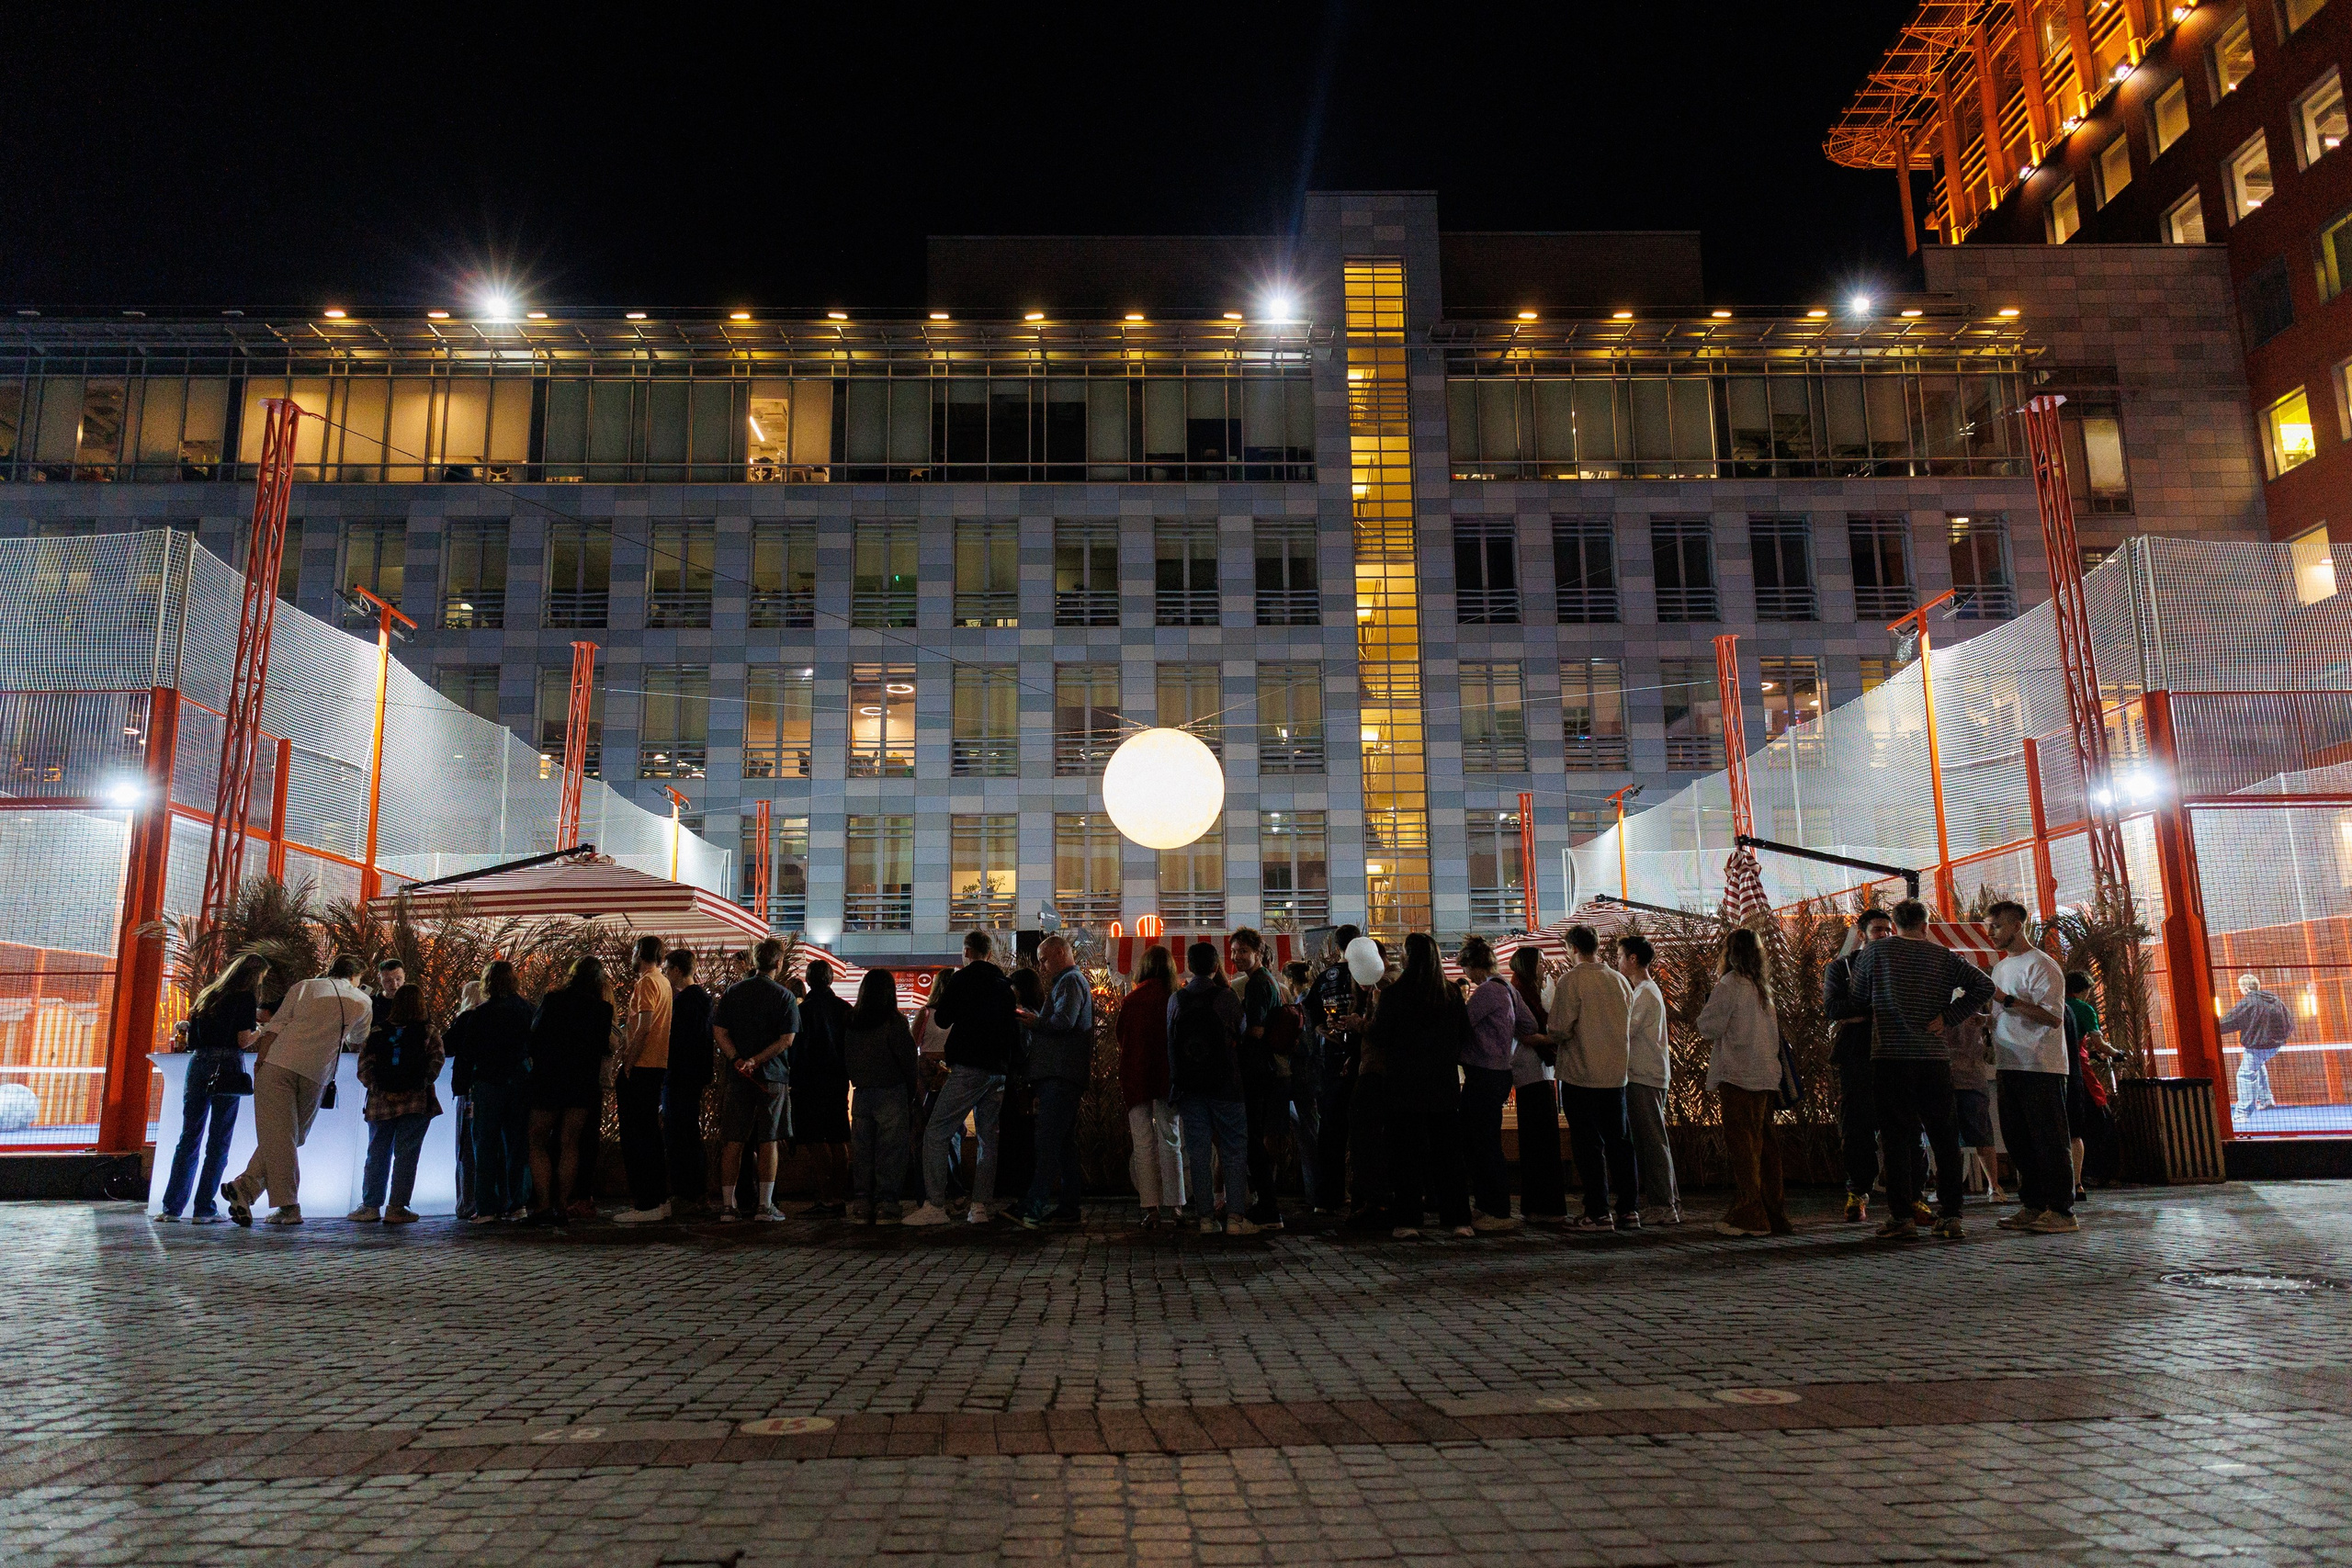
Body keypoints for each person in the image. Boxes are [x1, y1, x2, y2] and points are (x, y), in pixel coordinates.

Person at [1838, 898, 1996, 1241]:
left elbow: (1858, 995)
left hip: (1890, 1056)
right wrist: (1949, 1017)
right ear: (1926, 924)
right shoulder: (1943, 957)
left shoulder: (1874, 955)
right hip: (1934, 1058)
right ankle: (1952, 1215)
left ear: (1894, 925)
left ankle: (1900, 1217)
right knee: (1943, 1136)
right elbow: (1985, 986)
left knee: (1895, 1137)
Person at [220, 955, 372, 1227]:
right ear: (356, 977)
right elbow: (359, 1039)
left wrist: (260, 1061)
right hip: (317, 1074)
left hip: (279, 1064)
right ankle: (261, 1196)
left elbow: (274, 1027)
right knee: (291, 1138)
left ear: (331, 969)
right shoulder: (363, 1001)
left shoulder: (305, 986)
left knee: (282, 1138)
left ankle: (266, 1197)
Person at [908, 931, 1018, 1226]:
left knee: (936, 1131)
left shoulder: (962, 980)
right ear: (990, 954)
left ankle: (934, 1204)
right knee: (987, 1138)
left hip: (970, 1065)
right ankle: (980, 1205)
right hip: (999, 1070)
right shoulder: (1005, 987)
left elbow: (943, 1019)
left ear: (967, 952)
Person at [1983, 901, 2077, 1235]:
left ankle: (2062, 1212)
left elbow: (2052, 1017)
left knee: (2049, 1140)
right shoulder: (2001, 968)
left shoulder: (2041, 965)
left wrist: (2005, 1001)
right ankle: (2033, 1206)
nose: (1989, 931)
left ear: (2016, 925)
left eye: (1994, 925)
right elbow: (2002, 1013)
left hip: (2041, 1066)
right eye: (1987, 925)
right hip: (2009, 1064)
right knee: (2019, 1141)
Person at [1369, 933, 1471, 1239]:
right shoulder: (1451, 995)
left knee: (1405, 1155)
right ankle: (1458, 1219)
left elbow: (1380, 1038)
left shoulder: (1394, 995)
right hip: (1443, 1083)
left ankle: (1408, 1220)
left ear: (1407, 957)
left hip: (1404, 1085)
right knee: (1449, 1155)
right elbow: (1464, 1036)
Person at [158, 952, 267, 1224]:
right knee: (218, 1141)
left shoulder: (208, 994)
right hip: (227, 1065)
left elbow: (192, 1040)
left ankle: (172, 1208)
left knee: (189, 1138)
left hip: (198, 1064)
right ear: (255, 977)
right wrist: (263, 1031)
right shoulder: (244, 997)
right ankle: (203, 1208)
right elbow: (243, 1041)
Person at [1696, 927, 1790, 1238]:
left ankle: (1751, 1213)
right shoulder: (1763, 988)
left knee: (1743, 1145)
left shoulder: (1730, 984)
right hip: (1766, 1074)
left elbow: (1709, 1027)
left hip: (1738, 1074)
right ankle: (1773, 1211)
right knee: (1765, 1145)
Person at [1548, 924, 1641, 1234]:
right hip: (1616, 1076)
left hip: (1581, 1075)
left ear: (1572, 948)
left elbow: (1559, 1029)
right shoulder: (1620, 981)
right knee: (1620, 1144)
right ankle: (1629, 1209)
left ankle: (1598, 1212)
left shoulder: (1571, 981)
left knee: (1588, 1146)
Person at [1168, 940, 1256, 1235]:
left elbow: (1170, 1044)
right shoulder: (1227, 997)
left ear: (1189, 967)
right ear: (1216, 966)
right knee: (1233, 1150)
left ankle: (1205, 1219)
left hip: (1190, 1088)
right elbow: (1243, 1032)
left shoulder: (1176, 1000)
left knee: (1199, 1152)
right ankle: (1235, 1218)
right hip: (1226, 1085)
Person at [526, 955, 614, 1227]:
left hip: (549, 1078)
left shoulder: (553, 999)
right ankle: (563, 1204)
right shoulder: (602, 1009)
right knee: (570, 1143)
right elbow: (602, 1048)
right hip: (582, 1081)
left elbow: (534, 1035)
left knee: (537, 1139)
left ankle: (542, 1204)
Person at [444, 960, 535, 1224]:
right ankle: (518, 1203)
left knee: (484, 1144)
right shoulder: (528, 1010)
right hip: (519, 1081)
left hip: (487, 1082)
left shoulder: (480, 1014)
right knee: (517, 1145)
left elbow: (466, 1051)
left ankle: (486, 1207)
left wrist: (461, 1084)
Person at [712, 938, 796, 1222]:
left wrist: (738, 1058)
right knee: (768, 1139)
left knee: (733, 1140)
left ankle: (727, 1206)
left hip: (738, 1077)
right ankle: (765, 1205)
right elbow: (786, 1040)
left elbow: (720, 1032)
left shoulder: (733, 993)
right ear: (778, 963)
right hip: (771, 1077)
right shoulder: (784, 997)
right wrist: (757, 1060)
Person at [1014, 935, 1095, 1229]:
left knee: (1049, 1142)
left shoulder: (1070, 982)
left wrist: (1033, 1021)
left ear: (1061, 952)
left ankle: (1034, 1205)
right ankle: (1068, 1207)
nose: (1042, 965)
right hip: (1067, 1074)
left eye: (1045, 958)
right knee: (1063, 1145)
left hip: (1060, 1075)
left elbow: (1064, 1021)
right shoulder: (1071, 981)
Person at [351, 983, 447, 1224]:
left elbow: (363, 1068)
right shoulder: (429, 1031)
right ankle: (397, 1207)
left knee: (377, 1153)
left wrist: (380, 1089)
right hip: (416, 1103)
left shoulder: (377, 1031)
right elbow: (436, 1063)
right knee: (407, 1155)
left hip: (380, 1104)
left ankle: (371, 1206)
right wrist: (415, 1086)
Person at [1823, 909, 1895, 1224]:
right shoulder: (1842, 967)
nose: (1885, 934)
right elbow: (1833, 1008)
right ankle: (1858, 1193)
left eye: (1888, 929)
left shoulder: (1900, 966)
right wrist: (1873, 1010)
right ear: (1863, 933)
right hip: (1857, 1057)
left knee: (1902, 1124)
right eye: (1878, 929)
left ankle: (1910, 1195)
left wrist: (1860, 1013)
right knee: (1857, 1127)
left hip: (1896, 1053)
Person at [1457, 936, 1532, 1233]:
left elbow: (1462, 1024)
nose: (1468, 976)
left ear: (1475, 966)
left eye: (1467, 969)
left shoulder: (1487, 991)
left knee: (1481, 1141)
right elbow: (1529, 1026)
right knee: (1486, 1139)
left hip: (1483, 1073)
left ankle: (1495, 1209)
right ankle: (1489, 1205)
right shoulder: (1509, 990)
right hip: (1502, 1072)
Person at [1301, 925, 1370, 1216]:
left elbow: (1308, 1006)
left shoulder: (1325, 977)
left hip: (1330, 1061)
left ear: (1338, 945)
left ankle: (1327, 1197)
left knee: (1330, 1131)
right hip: (1361, 1060)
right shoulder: (1366, 976)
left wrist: (1318, 1026)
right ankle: (1364, 1195)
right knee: (1364, 1131)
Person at [843, 968, 919, 1224]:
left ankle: (862, 1203)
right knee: (891, 1151)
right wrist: (911, 1092)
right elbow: (909, 1060)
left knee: (863, 1151)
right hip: (891, 1090)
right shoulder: (893, 1021)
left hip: (862, 1093)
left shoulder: (852, 1021)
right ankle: (887, 1204)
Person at [1118, 944, 1185, 1228]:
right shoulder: (1175, 999)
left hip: (1136, 1077)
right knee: (1171, 1139)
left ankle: (1151, 1207)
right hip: (1167, 1078)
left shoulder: (1132, 1000)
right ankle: (1177, 1205)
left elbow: (1121, 1037)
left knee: (1143, 1142)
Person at [1617, 934, 1679, 1226]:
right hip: (1647, 1075)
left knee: (1652, 1141)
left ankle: (1663, 1204)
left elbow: (1625, 1032)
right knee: (1652, 1140)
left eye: (1619, 956)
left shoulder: (1645, 993)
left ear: (1632, 959)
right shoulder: (1644, 991)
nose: (1617, 962)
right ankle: (1667, 1201)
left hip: (1645, 1075)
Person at [1231, 929, 1291, 1230]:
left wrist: (1237, 1036)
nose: (1236, 957)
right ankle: (1266, 1202)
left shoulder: (1257, 984)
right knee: (1256, 1137)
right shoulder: (1267, 981)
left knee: (1253, 1138)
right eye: (1234, 951)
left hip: (1256, 1069)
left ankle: (1268, 1206)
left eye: (1243, 951)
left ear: (1257, 952)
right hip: (1266, 1069)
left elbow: (1255, 1029)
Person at [613, 935, 674, 1224]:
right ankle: (659, 1200)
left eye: (634, 950)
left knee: (636, 1136)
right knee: (649, 1134)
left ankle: (646, 1202)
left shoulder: (647, 982)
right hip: (656, 1064)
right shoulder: (663, 982)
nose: (631, 955)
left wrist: (628, 1062)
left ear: (641, 953)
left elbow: (645, 1025)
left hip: (643, 1065)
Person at [1507, 944, 1567, 1225]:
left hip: (1537, 1071)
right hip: (1531, 1072)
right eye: (1541, 961)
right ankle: (1542, 1205)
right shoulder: (1520, 993)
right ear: (1529, 965)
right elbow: (1528, 1034)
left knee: (1540, 1140)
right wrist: (1556, 1038)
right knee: (1540, 1140)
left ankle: (1540, 1204)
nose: (1545, 966)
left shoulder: (1527, 991)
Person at [793, 960, 855, 1216]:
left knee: (816, 1139)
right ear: (830, 980)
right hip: (837, 1081)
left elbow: (796, 1051)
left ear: (808, 980)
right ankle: (837, 1196)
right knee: (839, 1137)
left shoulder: (803, 1010)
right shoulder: (844, 1008)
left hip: (809, 1083)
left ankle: (826, 1197)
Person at [662, 947, 714, 1218]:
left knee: (680, 1135)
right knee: (689, 1134)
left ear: (677, 971)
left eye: (667, 969)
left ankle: (688, 1192)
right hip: (693, 1076)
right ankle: (697, 1192)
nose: (664, 974)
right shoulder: (702, 999)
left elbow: (677, 1042)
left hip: (681, 1076)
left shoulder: (684, 1002)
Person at [1945, 997, 2000, 1203]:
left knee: (1973, 1134)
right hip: (1965, 1073)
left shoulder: (1962, 998)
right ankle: (1993, 1187)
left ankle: (1992, 1186)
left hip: (1961, 1073)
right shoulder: (1972, 997)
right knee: (1979, 1133)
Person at [2219, 972, 2293, 1121]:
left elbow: (2231, 1020)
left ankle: (2242, 1114)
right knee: (2258, 1065)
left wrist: (2214, 1028)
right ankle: (2266, 1099)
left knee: (2245, 1075)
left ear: (2245, 989)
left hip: (2257, 1046)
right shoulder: (2275, 1000)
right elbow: (2288, 1021)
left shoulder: (2249, 1002)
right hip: (2275, 1045)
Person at [450, 978, 485, 1220]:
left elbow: (446, 1046)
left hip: (470, 1090)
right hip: (495, 1087)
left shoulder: (465, 1019)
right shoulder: (496, 1017)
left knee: (467, 1147)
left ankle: (468, 1202)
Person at [371, 957, 406, 1032]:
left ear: (404, 977)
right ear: (379, 979)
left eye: (398, 979)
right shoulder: (371, 1003)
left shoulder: (414, 1002)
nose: (394, 984)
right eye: (388, 980)